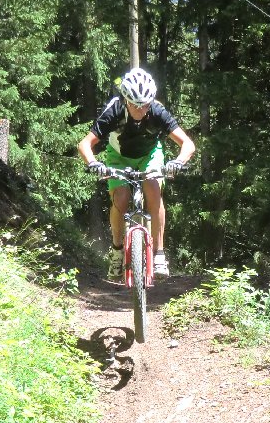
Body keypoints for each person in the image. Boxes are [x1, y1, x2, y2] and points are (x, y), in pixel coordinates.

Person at [77, 67, 195, 280]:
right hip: (119, 155)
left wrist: (178, 161)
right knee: (121, 198)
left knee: (153, 189)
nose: (140, 110)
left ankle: (159, 254)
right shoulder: (114, 111)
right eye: (135, 105)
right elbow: (85, 144)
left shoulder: (157, 111)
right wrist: (93, 163)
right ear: (126, 100)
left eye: (145, 105)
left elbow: (187, 144)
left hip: (149, 154)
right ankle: (117, 250)